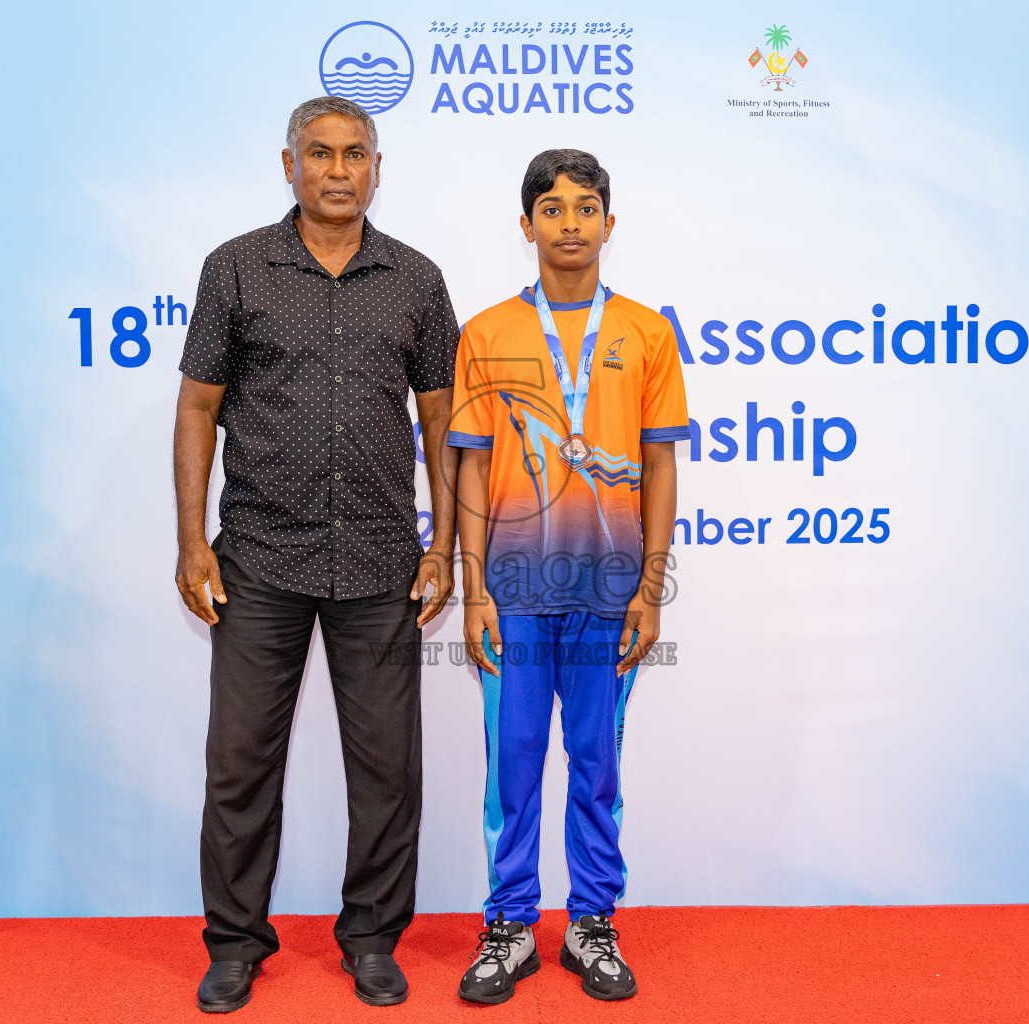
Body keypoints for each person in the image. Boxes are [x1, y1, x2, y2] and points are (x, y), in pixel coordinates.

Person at [173, 97, 458, 1013]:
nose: (338, 170)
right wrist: (189, 542)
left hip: (381, 565)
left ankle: (372, 938)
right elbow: (197, 409)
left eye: (356, 154)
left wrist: (443, 543)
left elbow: (444, 421)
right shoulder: (235, 269)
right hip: (257, 560)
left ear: (380, 166)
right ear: (287, 162)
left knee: (388, 772)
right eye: (320, 153)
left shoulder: (416, 279)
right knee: (240, 766)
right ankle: (234, 944)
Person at [446, 150, 688, 1004]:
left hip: (608, 597)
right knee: (511, 766)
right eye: (553, 209)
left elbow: (660, 469)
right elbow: (469, 471)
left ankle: (593, 923)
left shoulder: (648, 333)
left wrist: (650, 590)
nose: (571, 224)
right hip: (512, 596)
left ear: (609, 225)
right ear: (527, 227)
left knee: (596, 764)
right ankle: (509, 924)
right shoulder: (485, 332)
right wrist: (475, 590)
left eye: (587, 208)